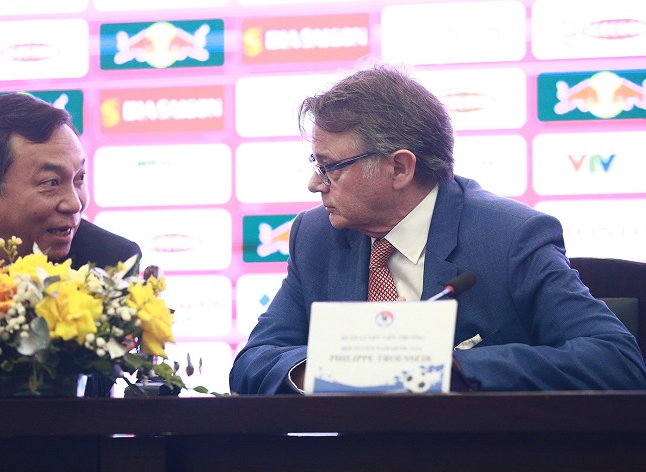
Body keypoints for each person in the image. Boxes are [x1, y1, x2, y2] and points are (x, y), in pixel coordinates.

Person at [229, 62, 646, 394]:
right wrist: (324, 369)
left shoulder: (509, 237)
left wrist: (450, 370)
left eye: (330, 167)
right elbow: (253, 362)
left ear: (399, 167)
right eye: (315, 164)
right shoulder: (316, 237)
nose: (314, 183)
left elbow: (615, 360)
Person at [0, 93, 142, 400]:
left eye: (79, 178)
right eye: (51, 182)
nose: (75, 203)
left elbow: (95, 381)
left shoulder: (111, 260)